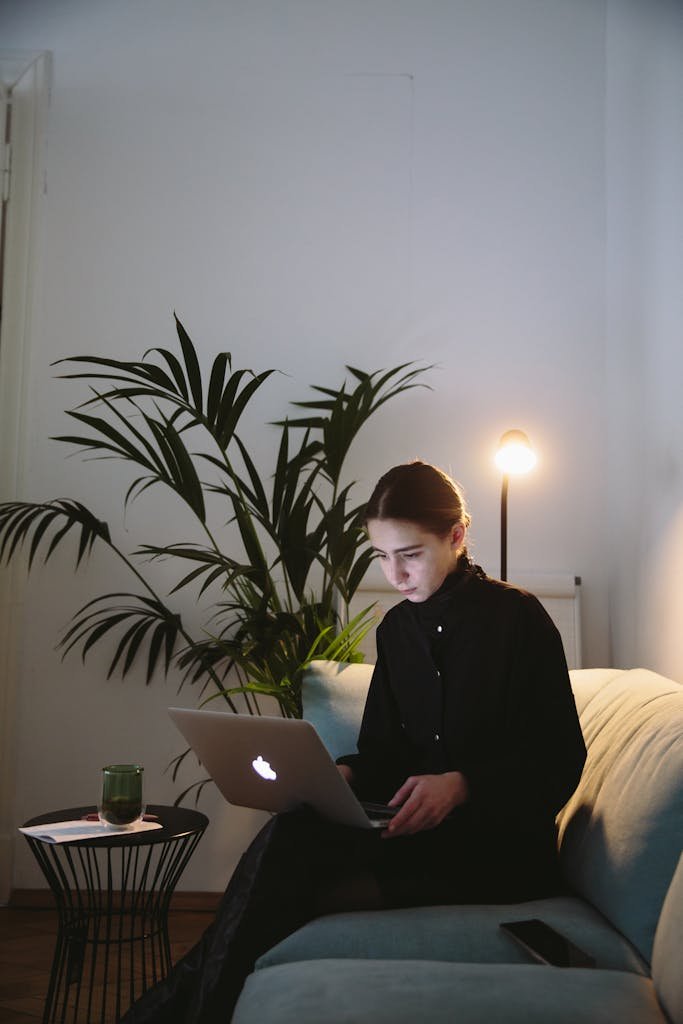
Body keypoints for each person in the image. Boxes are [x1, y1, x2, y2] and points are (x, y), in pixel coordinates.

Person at [123, 459, 586, 1024]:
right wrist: (338, 777)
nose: (395, 575)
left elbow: (562, 758)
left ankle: (172, 1010)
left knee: (275, 895)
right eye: (382, 557)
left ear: (456, 536)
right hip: (412, 832)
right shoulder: (396, 631)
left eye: (410, 554)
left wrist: (463, 786)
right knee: (292, 833)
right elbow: (383, 753)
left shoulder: (519, 619)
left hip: (496, 851)